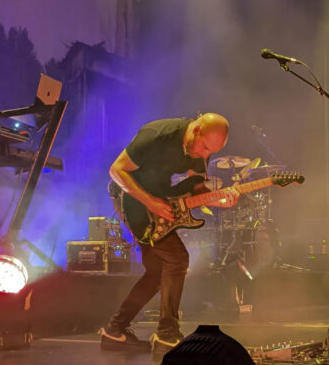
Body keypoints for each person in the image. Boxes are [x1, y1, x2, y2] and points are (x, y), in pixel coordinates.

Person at [100, 113, 239, 350]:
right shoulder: (156, 135)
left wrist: (218, 200)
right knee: (177, 259)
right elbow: (116, 171)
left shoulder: (199, 150)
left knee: (156, 271)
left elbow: (196, 190)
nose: (205, 155)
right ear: (196, 131)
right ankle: (167, 334)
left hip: (156, 198)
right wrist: (150, 202)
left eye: (211, 151)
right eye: (205, 147)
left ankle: (114, 330)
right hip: (130, 198)